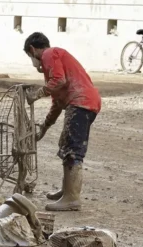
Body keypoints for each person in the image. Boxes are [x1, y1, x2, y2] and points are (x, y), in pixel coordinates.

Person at [23, 32, 101, 211]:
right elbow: (57, 103)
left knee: (72, 150)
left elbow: (59, 80)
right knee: (66, 144)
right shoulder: (54, 60)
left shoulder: (49, 54)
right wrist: (44, 127)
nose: (33, 61)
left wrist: (38, 93)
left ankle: (72, 198)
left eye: (30, 56)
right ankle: (67, 190)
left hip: (81, 102)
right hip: (85, 102)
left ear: (32, 49)